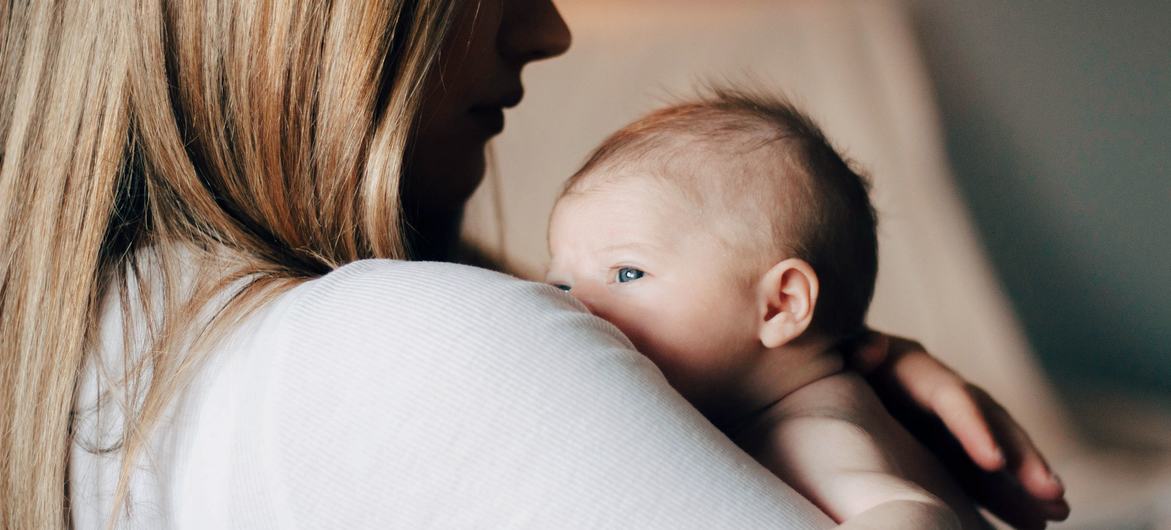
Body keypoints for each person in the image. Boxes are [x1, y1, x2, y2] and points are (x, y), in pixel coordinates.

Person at [0, 1, 1067, 529]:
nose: (549, 27)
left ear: (783, 301)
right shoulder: (412, 345)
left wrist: (833, 364)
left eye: (628, 274)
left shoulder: (84, 356)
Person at [546, 91, 990, 529]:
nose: (574, 303)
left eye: (627, 273)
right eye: (560, 283)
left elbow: (917, 516)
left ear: (780, 305)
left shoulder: (807, 431)